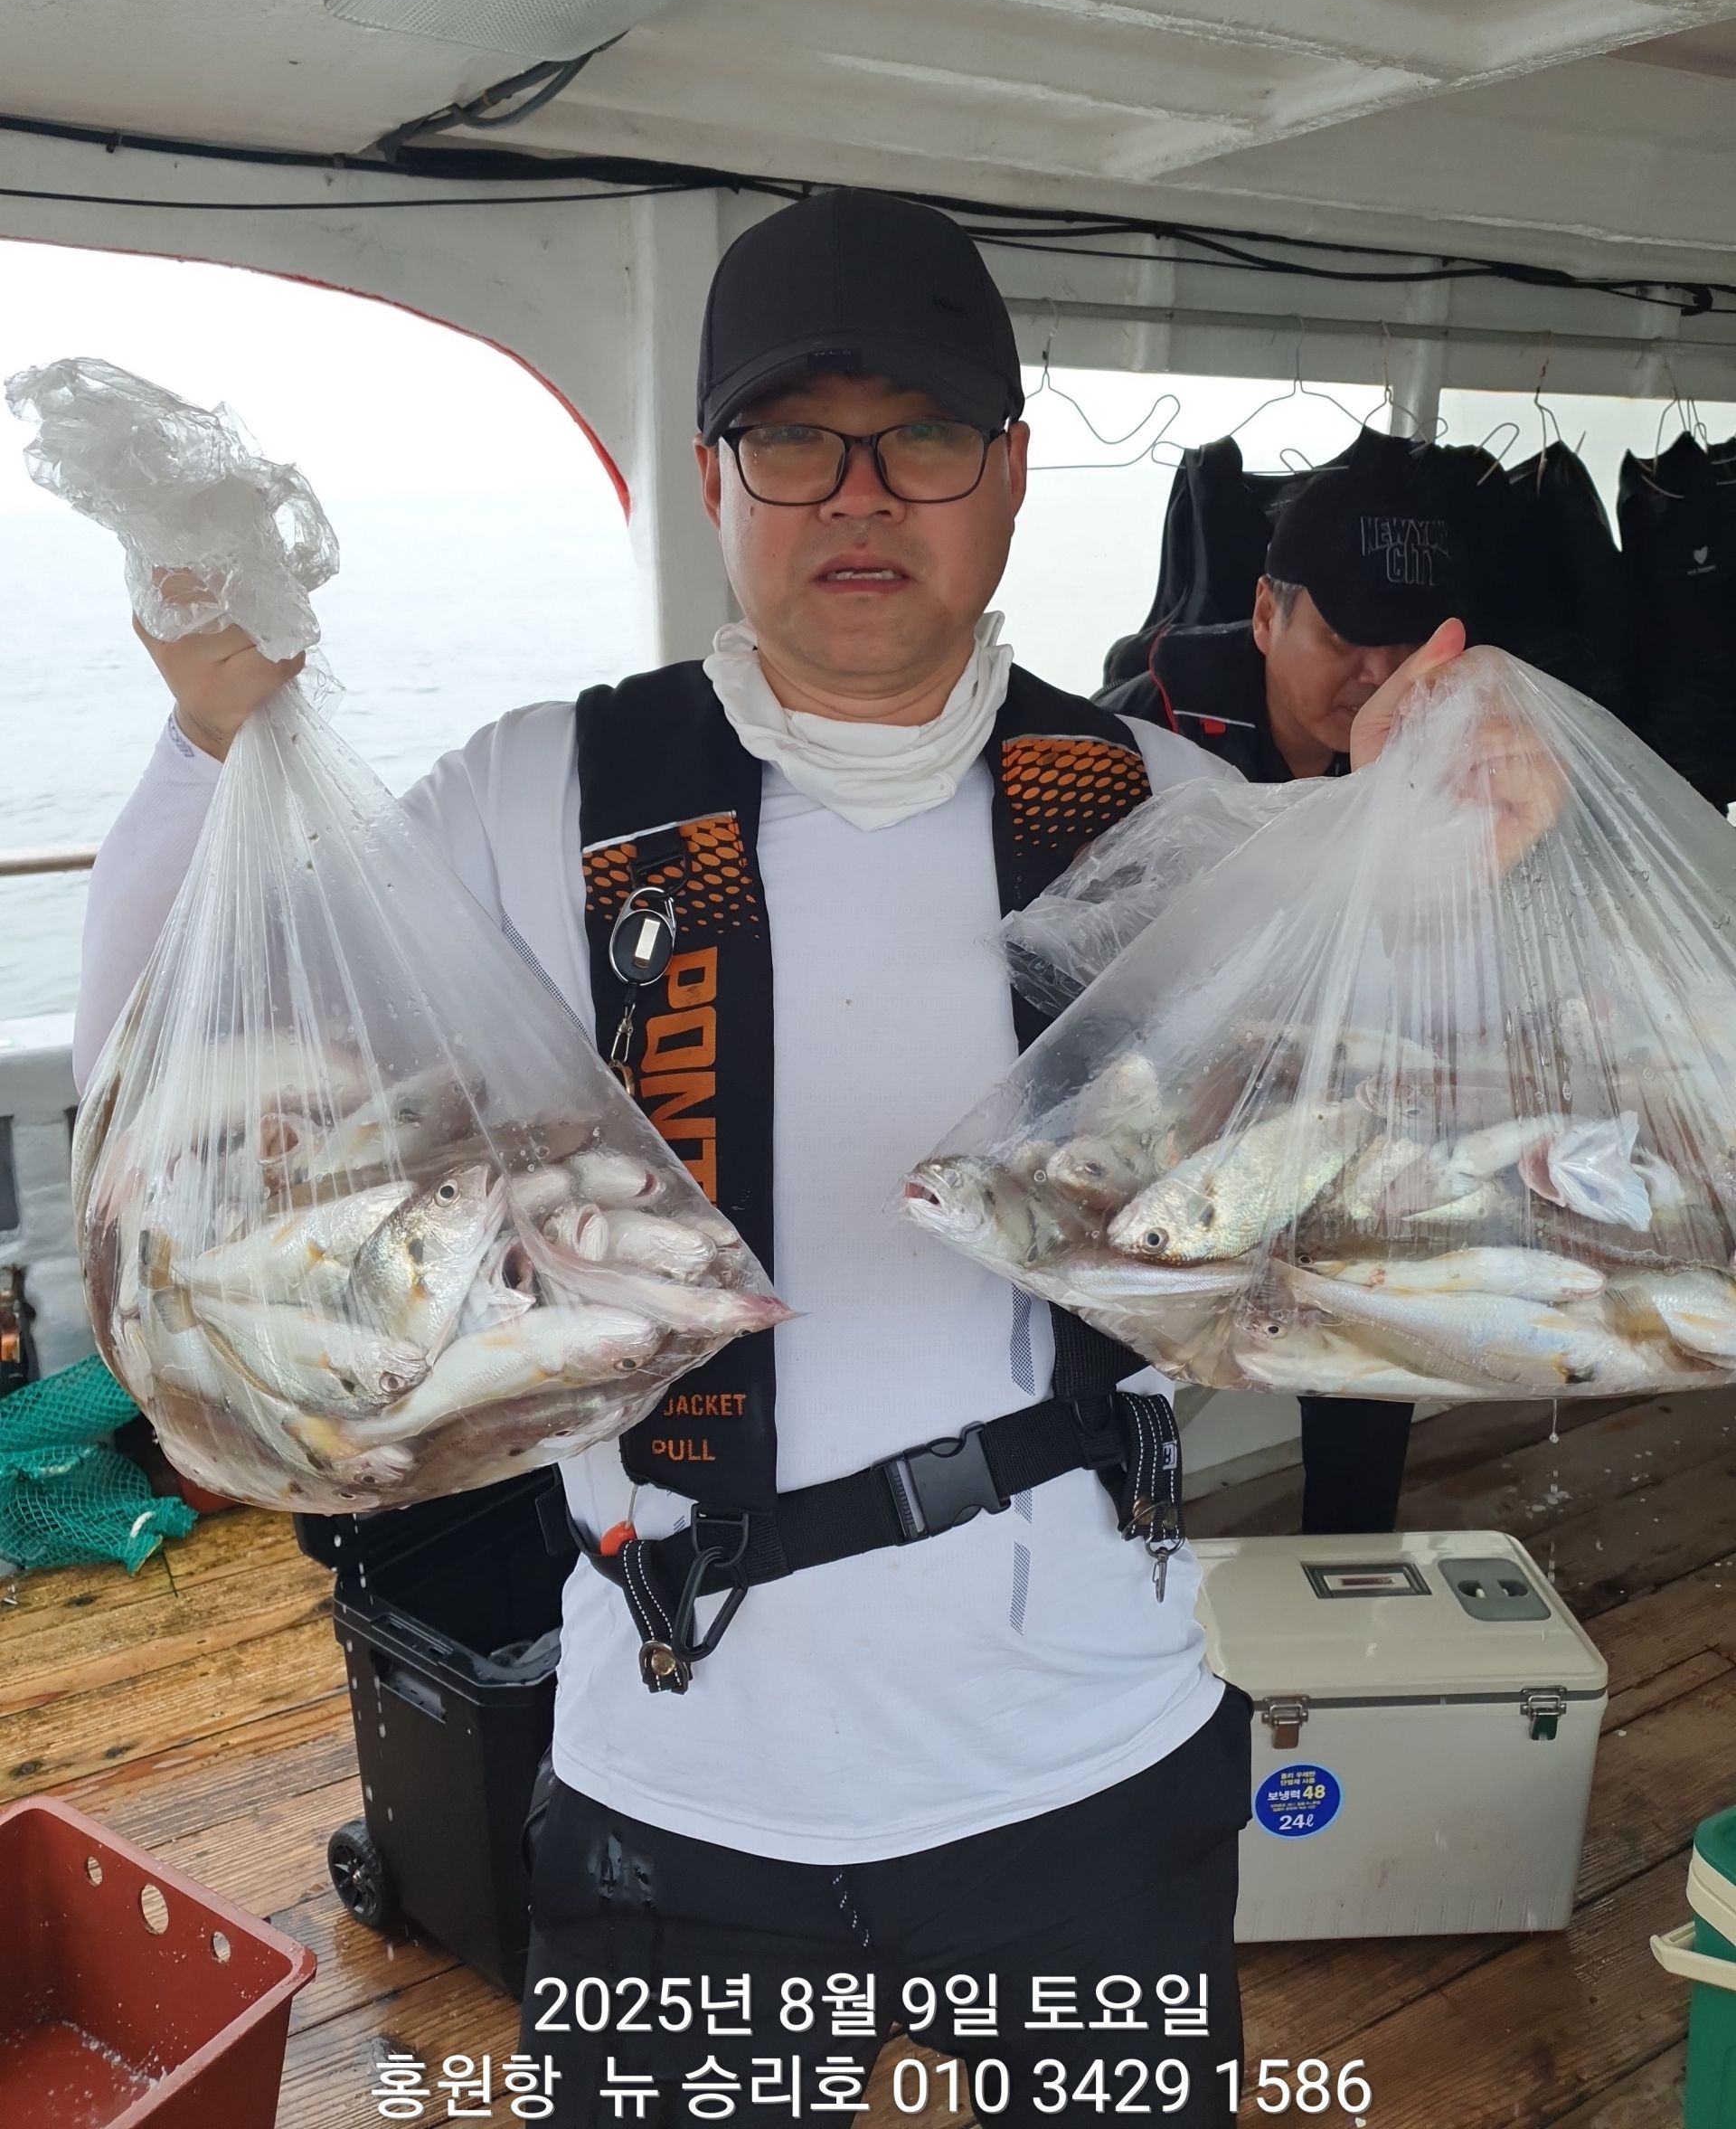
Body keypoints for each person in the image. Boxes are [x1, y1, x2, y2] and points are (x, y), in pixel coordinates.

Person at [73, 191, 1465, 2127]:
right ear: (716, 480)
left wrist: (1440, 873)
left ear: (1012, 474)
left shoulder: (1165, 808)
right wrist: (212, 743)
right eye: (796, 437)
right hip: (677, 1767)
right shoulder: (534, 796)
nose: (861, 494)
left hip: (1088, 1749)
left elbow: (1383, 1184)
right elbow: (177, 1067)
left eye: (927, 436)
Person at [1099, 461, 1477, 1536]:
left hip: (1343, 1106)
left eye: (1409, 645)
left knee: (1367, 1325)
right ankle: (1123, 1548)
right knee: (1121, 1358)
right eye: (1346, 636)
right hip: (1172, 1119)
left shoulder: (1446, 751)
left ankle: (1349, 1561)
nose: (1378, 674)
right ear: (1266, 614)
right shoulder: (1134, 744)